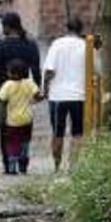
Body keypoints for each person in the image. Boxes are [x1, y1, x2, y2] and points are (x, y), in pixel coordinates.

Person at [0, 12, 41, 169]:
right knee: (25, 128)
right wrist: (37, 89)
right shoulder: (30, 45)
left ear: (8, 27)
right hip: (25, 91)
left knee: (6, 130)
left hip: (4, 92)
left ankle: (8, 162)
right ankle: (23, 159)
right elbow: (36, 70)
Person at [43, 17, 92, 172]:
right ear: (81, 29)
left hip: (58, 97)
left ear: (67, 28)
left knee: (58, 133)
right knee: (77, 133)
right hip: (79, 96)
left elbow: (49, 71)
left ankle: (57, 166)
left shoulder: (57, 44)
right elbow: (95, 70)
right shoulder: (86, 46)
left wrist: (45, 89)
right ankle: (73, 166)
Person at [0, 59, 42, 175]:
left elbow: (0, 99)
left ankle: (12, 168)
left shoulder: (8, 85)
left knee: (12, 144)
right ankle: (23, 167)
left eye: (9, 71)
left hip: (12, 122)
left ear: (13, 73)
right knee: (25, 143)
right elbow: (37, 95)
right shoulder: (29, 83)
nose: (8, 73)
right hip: (27, 120)